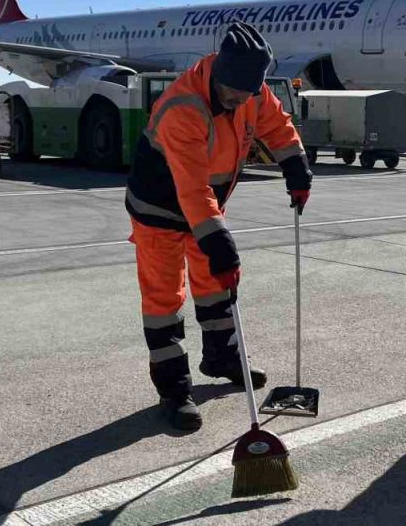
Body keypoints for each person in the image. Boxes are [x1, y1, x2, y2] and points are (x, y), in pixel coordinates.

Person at [125, 22, 312, 430]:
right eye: (234, 93)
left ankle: (221, 357)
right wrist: (217, 239)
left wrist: (295, 164)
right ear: (218, 76)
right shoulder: (183, 109)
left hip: (205, 207)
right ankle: (174, 390)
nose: (241, 101)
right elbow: (191, 189)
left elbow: (276, 125)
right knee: (163, 301)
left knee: (217, 284)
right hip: (160, 210)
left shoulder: (250, 91)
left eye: (249, 93)